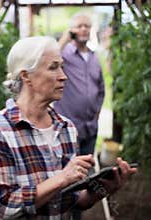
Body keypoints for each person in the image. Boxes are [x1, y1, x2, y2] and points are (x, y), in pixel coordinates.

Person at [0, 36, 136, 219]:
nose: (63, 76)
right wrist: (62, 177)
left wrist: (102, 190)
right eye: (53, 68)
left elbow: (73, 200)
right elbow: (6, 207)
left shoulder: (66, 128)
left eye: (62, 67)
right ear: (26, 76)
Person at [54, 13, 105, 156]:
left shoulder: (94, 57)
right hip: (68, 127)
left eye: (87, 26)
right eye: (79, 26)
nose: (84, 29)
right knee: (68, 171)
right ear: (71, 30)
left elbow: (101, 88)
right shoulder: (63, 55)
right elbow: (48, 60)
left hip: (90, 127)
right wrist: (65, 39)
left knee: (86, 171)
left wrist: (97, 112)